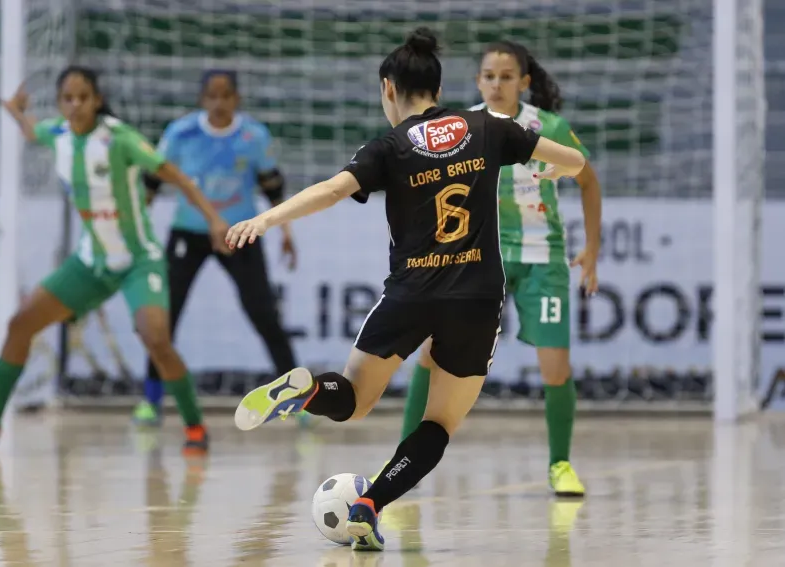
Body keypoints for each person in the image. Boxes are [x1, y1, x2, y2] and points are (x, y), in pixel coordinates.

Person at [225, 28, 586, 551]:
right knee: (437, 424)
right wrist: (551, 170)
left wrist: (265, 217)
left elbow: (330, 191)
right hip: (475, 301)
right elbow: (574, 162)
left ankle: (306, 393)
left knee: (351, 401)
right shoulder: (488, 127)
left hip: (410, 294)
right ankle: (369, 505)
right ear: (438, 89)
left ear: (389, 89)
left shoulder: (389, 147)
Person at [0, 65, 227, 455]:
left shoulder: (119, 140)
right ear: (60, 103)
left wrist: (214, 221)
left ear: (97, 100)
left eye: (83, 97)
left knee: (156, 339)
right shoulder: (56, 133)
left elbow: (179, 177)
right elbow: (32, 131)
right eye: (68, 98)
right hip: (91, 263)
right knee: (20, 323)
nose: (75, 105)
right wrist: (17, 113)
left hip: (138, 262)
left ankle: (195, 427)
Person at [397, 41, 602, 498]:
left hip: (540, 260)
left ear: (524, 83)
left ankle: (561, 464)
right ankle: (402, 460)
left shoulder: (548, 127)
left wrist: (592, 248)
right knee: (431, 353)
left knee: (555, 367)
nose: (496, 84)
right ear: (477, 82)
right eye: (489, 76)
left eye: (506, 76)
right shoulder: (457, 128)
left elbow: (587, 179)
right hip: (475, 256)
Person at [132, 70, 299, 427]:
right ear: (201, 99)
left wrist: (286, 232)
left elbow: (272, 186)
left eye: (226, 95)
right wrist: (136, 230)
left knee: (264, 314)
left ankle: (296, 399)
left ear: (236, 98)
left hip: (239, 233)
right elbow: (151, 182)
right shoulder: (180, 134)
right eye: (212, 95)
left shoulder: (254, 136)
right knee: (164, 318)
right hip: (189, 234)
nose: (219, 102)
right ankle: (151, 400)